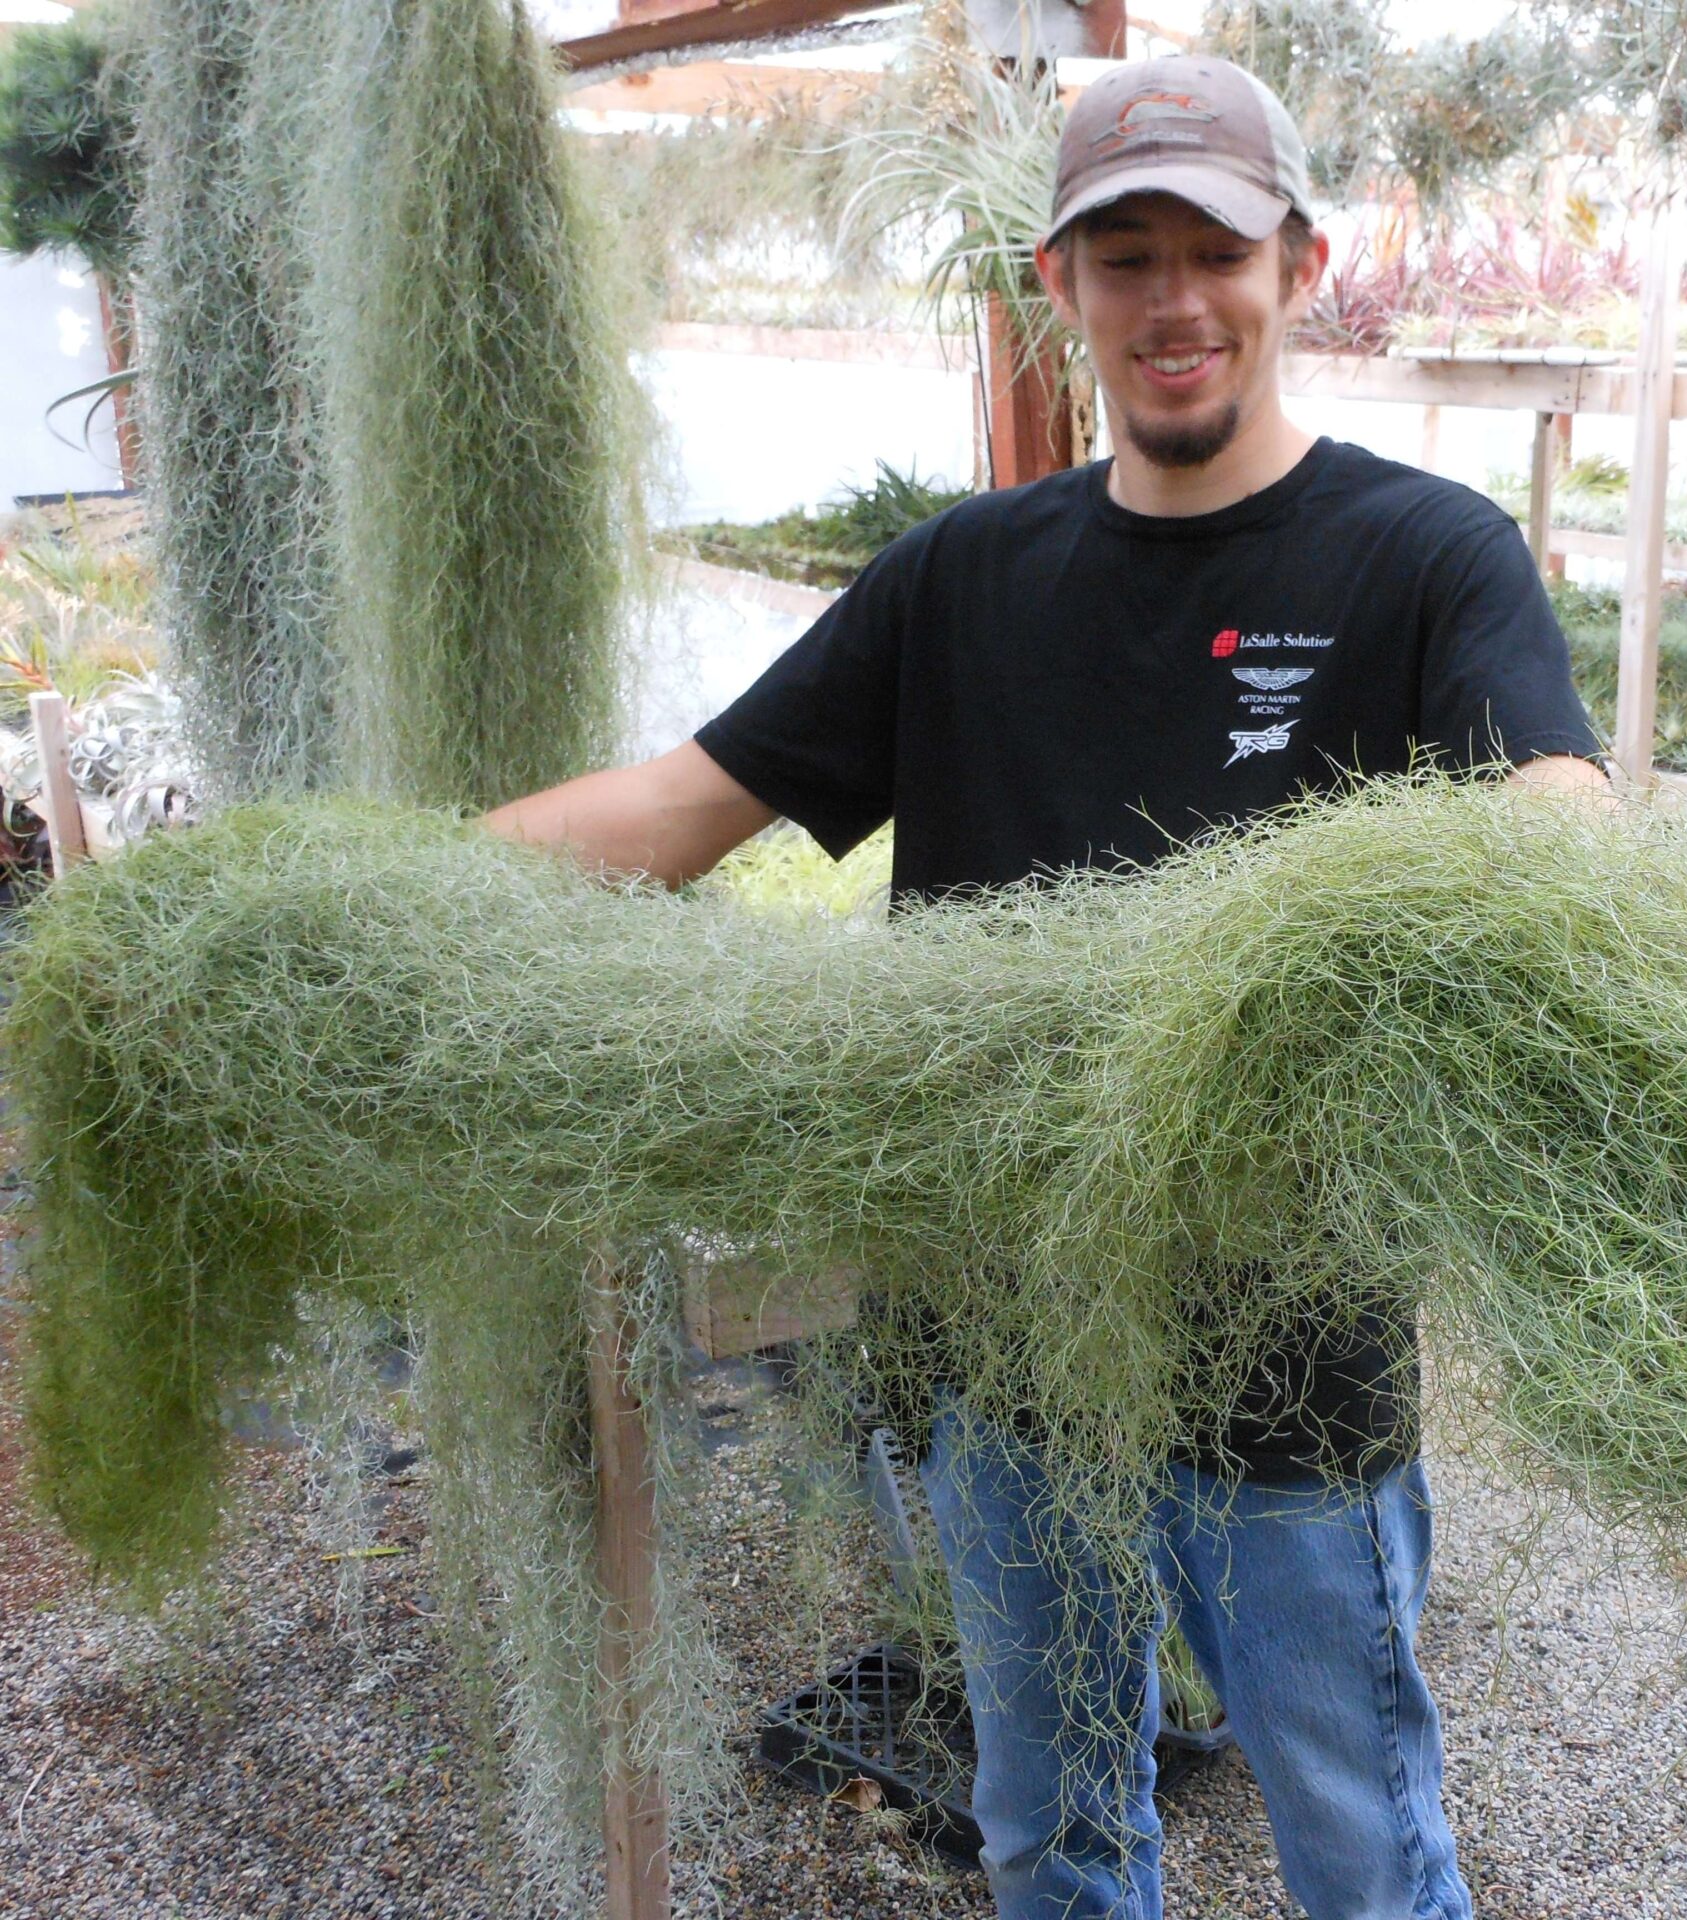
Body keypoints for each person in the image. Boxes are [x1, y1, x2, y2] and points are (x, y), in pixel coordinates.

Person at [487, 52, 1607, 1920]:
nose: (1175, 303)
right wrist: (405, 882)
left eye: (1216, 254)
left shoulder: (1420, 556)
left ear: (1299, 266)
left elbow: (1550, 798)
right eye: (1127, 256)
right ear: (1059, 283)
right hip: (1003, 1352)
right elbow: (686, 807)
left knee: (1362, 1844)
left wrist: (1568, 862)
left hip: (1288, 1377)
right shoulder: (961, 579)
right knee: (1053, 1838)